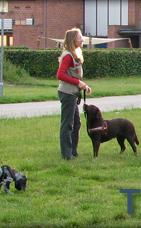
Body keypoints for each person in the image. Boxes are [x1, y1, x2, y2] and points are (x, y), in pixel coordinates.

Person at [56, 28, 92, 160]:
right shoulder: (67, 56)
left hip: (73, 93)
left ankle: (73, 151)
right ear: (73, 40)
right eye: (79, 37)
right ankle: (66, 154)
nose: (82, 39)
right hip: (67, 93)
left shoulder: (74, 55)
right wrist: (78, 83)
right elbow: (60, 75)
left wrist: (83, 85)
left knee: (76, 123)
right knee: (67, 124)